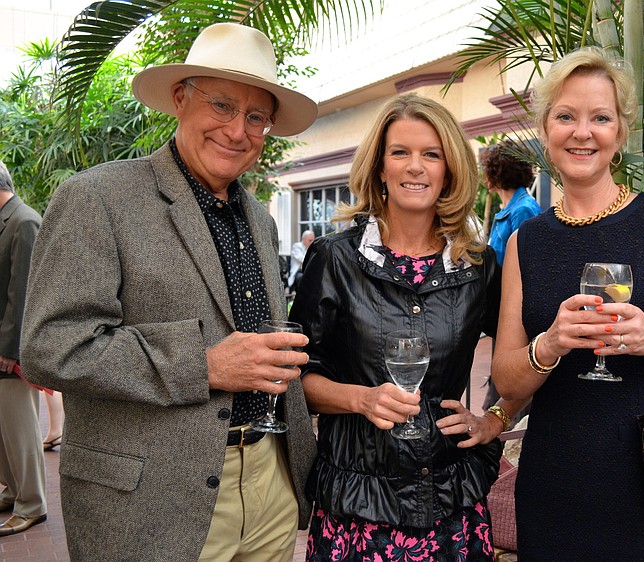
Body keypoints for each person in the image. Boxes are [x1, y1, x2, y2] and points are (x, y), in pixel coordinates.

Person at [20, 23, 318, 562]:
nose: (237, 131)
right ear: (180, 99)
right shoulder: (96, 197)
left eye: (256, 117)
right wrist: (203, 366)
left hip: (270, 485)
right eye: (223, 106)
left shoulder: (257, 216)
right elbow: (49, 347)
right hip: (152, 500)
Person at [490, 46, 644, 561]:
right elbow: (508, 380)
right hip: (554, 485)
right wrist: (551, 344)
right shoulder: (525, 243)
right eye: (566, 116)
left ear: (619, 134)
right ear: (545, 130)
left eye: (600, 118)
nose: (583, 132)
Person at [289, 93, 526, 561]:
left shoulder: (480, 266)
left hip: (451, 502)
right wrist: (361, 398)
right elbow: (295, 374)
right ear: (380, 167)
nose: (415, 167)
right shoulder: (334, 258)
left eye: (431, 154)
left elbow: (527, 356)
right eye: (400, 152)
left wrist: (496, 419)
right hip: (356, 507)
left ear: (449, 169)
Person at [0, 160, 47, 537]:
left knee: (19, 430)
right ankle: (15, 490)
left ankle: (31, 504)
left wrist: (11, 350)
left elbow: (24, 294)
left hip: (9, 349)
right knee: (4, 429)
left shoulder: (24, 221)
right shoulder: (8, 218)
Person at [479, 140, 541, 415]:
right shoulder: (506, 210)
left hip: (516, 313)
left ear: (496, 173)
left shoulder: (523, 210)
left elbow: (529, 266)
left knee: (507, 392)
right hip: (500, 309)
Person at [482, 140, 541, 267]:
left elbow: (526, 265)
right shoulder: (511, 209)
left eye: (487, 170)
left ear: (496, 173)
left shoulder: (522, 210)